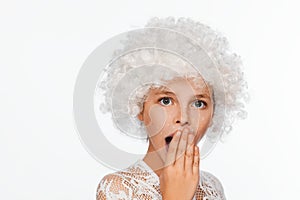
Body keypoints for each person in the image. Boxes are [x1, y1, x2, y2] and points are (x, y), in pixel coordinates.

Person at [95, 17, 248, 200]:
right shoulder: (118, 188)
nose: (183, 118)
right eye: (166, 101)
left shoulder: (212, 187)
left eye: (198, 104)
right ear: (140, 108)